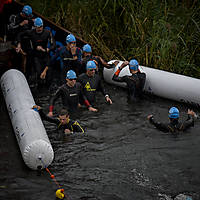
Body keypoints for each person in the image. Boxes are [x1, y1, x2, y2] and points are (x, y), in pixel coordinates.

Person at [16, 17, 56, 86]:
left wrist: (47, 49)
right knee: (39, 72)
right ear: (34, 27)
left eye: (41, 27)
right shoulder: (31, 32)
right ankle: (36, 85)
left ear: (43, 25)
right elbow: (19, 35)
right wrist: (19, 44)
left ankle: (47, 87)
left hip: (44, 53)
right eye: (38, 27)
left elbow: (54, 44)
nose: (39, 29)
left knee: (49, 73)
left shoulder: (47, 32)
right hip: (36, 55)